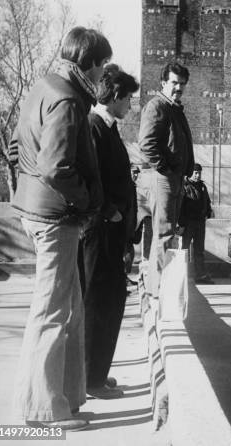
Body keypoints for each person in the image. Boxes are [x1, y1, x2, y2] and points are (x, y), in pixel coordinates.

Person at [8, 27, 112, 430]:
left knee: (66, 309)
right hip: (56, 218)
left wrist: (29, 182)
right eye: (103, 66)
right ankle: (43, 411)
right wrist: (86, 201)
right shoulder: (68, 99)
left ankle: (63, 400)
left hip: (40, 211)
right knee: (51, 312)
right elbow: (57, 167)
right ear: (90, 63)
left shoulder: (44, 87)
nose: (104, 75)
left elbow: (18, 149)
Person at [78, 65, 139, 399]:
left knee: (110, 300)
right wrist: (109, 211)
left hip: (111, 231)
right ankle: (90, 379)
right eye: (128, 98)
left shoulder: (108, 126)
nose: (131, 105)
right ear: (115, 97)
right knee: (98, 303)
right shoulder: (94, 126)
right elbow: (91, 177)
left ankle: (97, 371)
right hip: (100, 230)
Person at [138, 62, 194, 299]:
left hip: (175, 179)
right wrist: (166, 169)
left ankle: (160, 288)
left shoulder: (174, 108)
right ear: (163, 82)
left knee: (168, 233)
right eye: (174, 82)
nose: (178, 88)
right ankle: (156, 291)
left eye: (182, 84)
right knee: (163, 234)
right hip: (163, 179)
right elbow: (146, 145)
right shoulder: (157, 106)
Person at [178, 163, 214, 284]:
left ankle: (200, 275)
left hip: (200, 223)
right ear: (190, 173)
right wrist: (181, 224)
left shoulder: (202, 186)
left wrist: (208, 212)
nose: (197, 175)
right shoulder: (184, 186)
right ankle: (182, 275)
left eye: (199, 173)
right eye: (195, 173)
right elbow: (180, 206)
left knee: (199, 250)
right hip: (188, 223)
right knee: (184, 250)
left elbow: (207, 201)